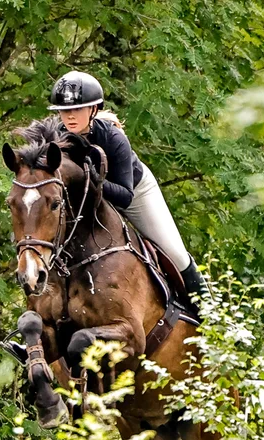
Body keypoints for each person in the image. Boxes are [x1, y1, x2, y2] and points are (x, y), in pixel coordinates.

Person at [46, 70, 208, 304]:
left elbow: (124, 196)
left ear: (93, 110)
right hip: (86, 200)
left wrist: (92, 179)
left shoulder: (113, 138)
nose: (70, 116)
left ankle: (210, 319)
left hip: (135, 192)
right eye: (64, 110)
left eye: (77, 109)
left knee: (176, 255)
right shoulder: (57, 138)